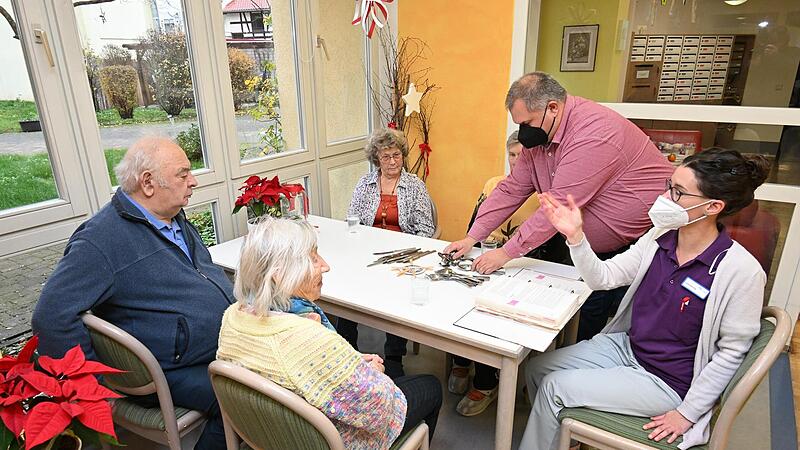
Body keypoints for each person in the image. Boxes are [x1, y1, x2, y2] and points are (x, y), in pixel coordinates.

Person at [520, 148, 770, 450]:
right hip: (627, 347)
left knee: (553, 387)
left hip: (668, 380)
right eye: (668, 185)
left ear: (713, 206)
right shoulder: (660, 237)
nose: (665, 198)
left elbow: (732, 353)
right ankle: (566, 438)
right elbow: (604, 277)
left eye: (678, 192)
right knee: (536, 368)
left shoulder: (741, 272)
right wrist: (576, 237)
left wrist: (686, 413)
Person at [32, 137, 233, 450]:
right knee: (245, 401)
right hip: (173, 369)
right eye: (183, 174)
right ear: (148, 183)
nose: (193, 181)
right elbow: (51, 316)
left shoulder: (171, 216)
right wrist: (94, 389)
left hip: (219, 346)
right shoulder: (101, 240)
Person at [445, 71, 674, 342]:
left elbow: (557, 206)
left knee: (598, 329)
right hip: (581, 245)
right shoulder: (541, 136)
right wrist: (473, 236)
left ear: (553, 108)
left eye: (528, 122)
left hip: (632, 248)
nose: (524, 132)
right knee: (565, 315)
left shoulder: (593, 132)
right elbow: (512, 188)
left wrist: (505, 253)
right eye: (518, 124)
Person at [216, 218, 442, 449]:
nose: (325, 265)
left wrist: (349, 361)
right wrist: (374, 374)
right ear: (280, 274)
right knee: (430, 387)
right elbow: (379, 410)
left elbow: (302, 372)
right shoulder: (308, 338)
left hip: (270, 433)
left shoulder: (232, 318)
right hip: (327, 439)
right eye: (313, 258)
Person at [449, 130, 540, 416]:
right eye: (512, 155)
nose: (516, 161)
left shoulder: (545, 194)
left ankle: (487, 381)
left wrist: (504, 255)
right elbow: (474, 227)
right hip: (486, 258)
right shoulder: (493, 184)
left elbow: (545, 246)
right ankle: (461, 360)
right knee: (456, 297)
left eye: (522, 155)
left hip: (523, 265)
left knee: (490, 312)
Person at [338, 127, 435, 378]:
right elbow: (352, 219)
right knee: (346, 286)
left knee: (398, 294)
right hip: (367, 254)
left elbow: (426, 228)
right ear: (376, 159)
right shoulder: (365, 184)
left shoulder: (415, 186)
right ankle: (348, 349)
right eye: (386, 156)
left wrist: (402, 250)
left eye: (396, 155)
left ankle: (393, 356)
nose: (392, 161)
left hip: (402, 256)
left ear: (402, 156)